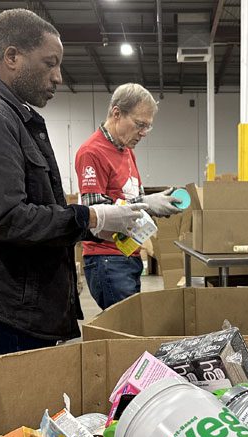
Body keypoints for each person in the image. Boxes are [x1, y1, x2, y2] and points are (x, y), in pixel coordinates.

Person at [0, 9, 147, 358]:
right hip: (11, 311)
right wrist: (92, 219)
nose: (58, 77)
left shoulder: (11, 117)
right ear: (12, 57)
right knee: (19, 412)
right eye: (49, 63)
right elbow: (8, 219)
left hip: (23, 306)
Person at [75, 83, 182, 310]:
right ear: (116, 113)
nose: (143, 133)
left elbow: (131, 197)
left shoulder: (127, 152)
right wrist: (146, 204)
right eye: (139, 125)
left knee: (132, 326)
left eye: (148, 127)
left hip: (128, 255)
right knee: (126, 333)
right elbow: (94, 213)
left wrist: (155, 204)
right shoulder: (92, 152)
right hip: (107, 259)